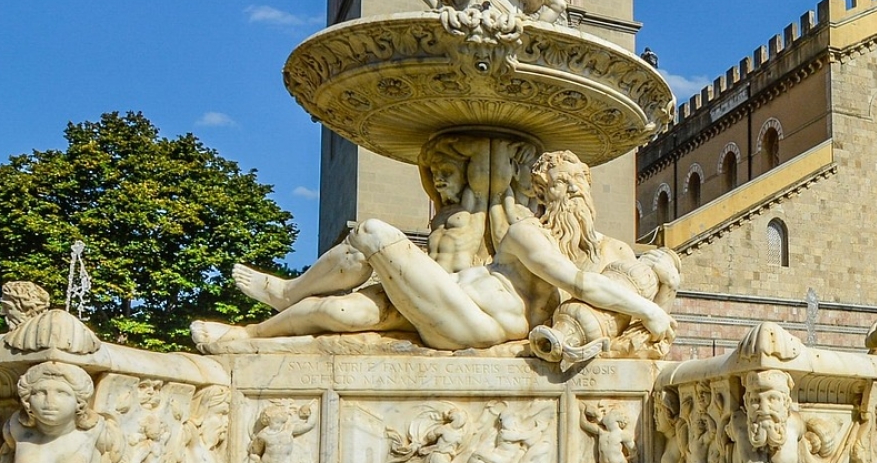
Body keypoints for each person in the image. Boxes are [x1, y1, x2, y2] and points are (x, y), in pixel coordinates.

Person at [193, 150, 672, 352]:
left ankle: (286, 291)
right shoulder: (539, 235)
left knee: (373, 233)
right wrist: (653, 303)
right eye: (549, 193)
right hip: (447, 300)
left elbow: (606, 281)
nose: (560, 201)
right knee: (346, 312)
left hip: (473, 319)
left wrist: (654, 303)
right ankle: (251, 335)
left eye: (554, 192)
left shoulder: (543, 238)